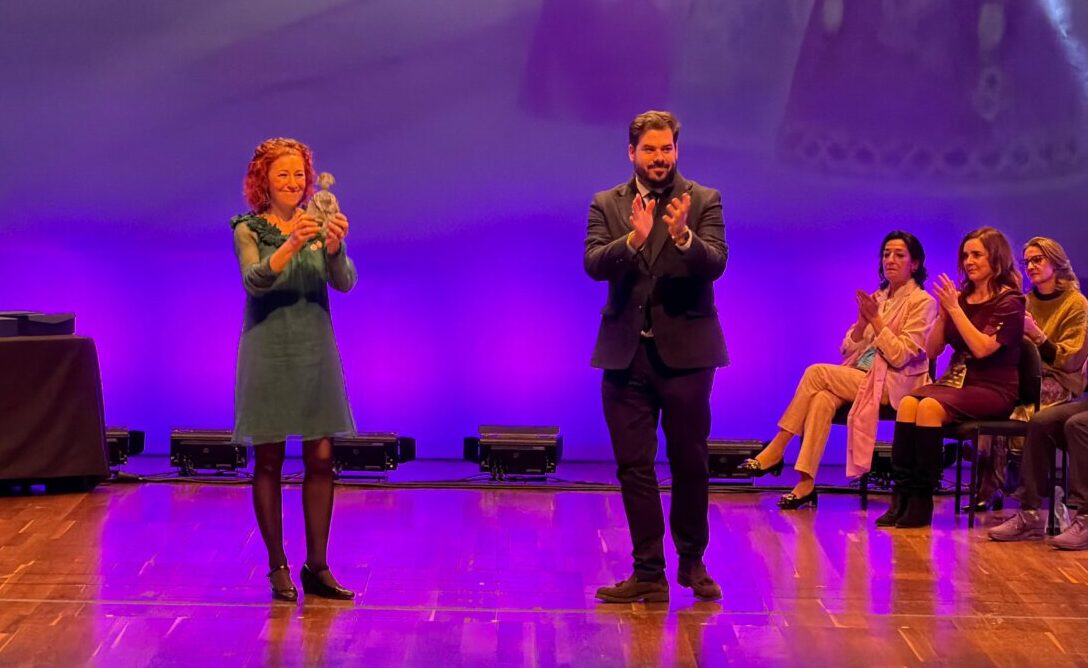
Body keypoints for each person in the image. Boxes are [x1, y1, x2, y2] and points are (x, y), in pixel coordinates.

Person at [584, 110, 728, 603]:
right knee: (634, 467)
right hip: (626, 357)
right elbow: (593, 263)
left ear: (676, 151)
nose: (659, 157)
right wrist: (633, 240)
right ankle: (648, 571)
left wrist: (685, 238)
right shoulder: (607, 204)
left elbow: (717, 262)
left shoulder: (704, 199)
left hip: (688, 355)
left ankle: (692, 561)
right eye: (650, 149)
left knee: (690, 462)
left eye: (666, 149)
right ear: (632, 153)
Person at [231, 137, 357, 601]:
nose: (292, 182)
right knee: (268, 460)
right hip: (268, 352)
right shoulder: (248, 229)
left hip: (314, 351)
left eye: (298, 174)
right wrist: (290, 244)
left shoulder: (318, 224)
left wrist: (334, 248)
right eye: (282, 174)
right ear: (263, 180)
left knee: (321, 459)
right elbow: (255, 281)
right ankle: (277, 566)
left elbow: (344, 282)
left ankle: (317, 567)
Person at [739, 231, 937, 509]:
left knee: (816, 373)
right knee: (821, 399)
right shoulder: (878, 297)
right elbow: (846, 349)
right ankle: (805, 483)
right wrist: (861, 322)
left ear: (914, 264)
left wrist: (877, 322)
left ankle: (777, 447)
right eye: (886, 254)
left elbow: (901, 355)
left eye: (899, 255)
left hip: (895, 384)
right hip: (861, 376)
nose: (890, 260)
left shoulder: (923, 302)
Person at [878, 226, 1025, 528]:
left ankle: (922, 499)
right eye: (966, 256)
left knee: (928, 407)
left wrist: (955, 309)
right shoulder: (964, 297)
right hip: (959, 384)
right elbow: (932, 350)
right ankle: (902, 493)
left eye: (977, 255)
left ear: (995, 258)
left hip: (994, 389)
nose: (969, 261)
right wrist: (945, 314)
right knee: (908, 403)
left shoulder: (1010, 302)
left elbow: (983, 349)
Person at [971, 237, 1088, 510]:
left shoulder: (1076, 304)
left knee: (1015, 407)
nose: (1031, 267)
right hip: (1026, 378)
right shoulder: (1024, 301)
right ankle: (992, 484)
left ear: (1056, 263)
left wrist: (1036, 334)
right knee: (995, 402)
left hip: (1060, 380)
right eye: (1027, 262)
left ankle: (1012, 486)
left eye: (1038, 260)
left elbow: (1070, 360)